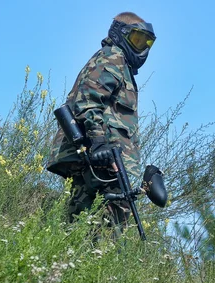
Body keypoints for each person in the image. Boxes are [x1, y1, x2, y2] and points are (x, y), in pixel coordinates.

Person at [46, 12, 156, 233]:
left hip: (106, 162)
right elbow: (88, 100)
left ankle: (77, 263)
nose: (141, 46)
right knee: (107, 227)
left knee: (87, 226)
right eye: (136, 39)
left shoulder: (121, 65)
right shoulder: (112, 57)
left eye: (147, 42)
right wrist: (98, 141)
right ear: (119, 33)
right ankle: (92, 263)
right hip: (99, 158)